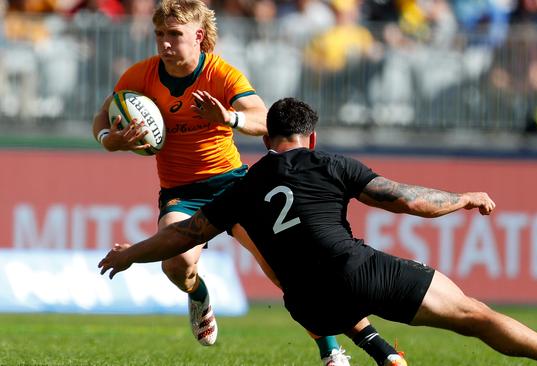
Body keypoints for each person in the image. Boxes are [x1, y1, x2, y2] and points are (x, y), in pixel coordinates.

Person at [98, 97, 537, 366]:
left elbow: (185, 233)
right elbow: (403, 200)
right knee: (473, 315)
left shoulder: (242, 186)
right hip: (352, 271)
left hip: (307, 306)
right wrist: (463, 198)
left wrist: (130, 254)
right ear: (310, 136)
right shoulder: (327, 162)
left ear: (270, 140)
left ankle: (379, 351)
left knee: (316, 285)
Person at [90, 0, 395, 364]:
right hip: (181, 193)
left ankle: (332, 350)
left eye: (175, 34)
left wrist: (229, 118)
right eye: (160, 34)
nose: (165, 43)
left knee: (289, 276)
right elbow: (102, 115)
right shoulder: (141, 76)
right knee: (175, 266)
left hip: (236, 187)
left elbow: (265, 120)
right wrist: (110, 139)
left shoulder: (221, 74)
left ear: (199, 36)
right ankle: (199, 294)